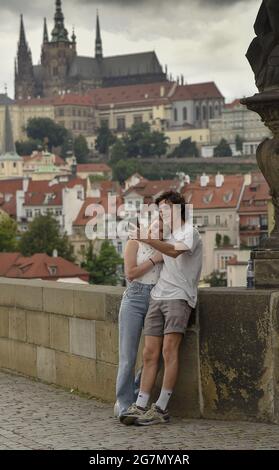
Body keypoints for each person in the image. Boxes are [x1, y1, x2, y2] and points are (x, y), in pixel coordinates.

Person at [120, 191, 203, 426]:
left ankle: (161, 408)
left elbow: (173, 251)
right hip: (158, 296)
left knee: (169, 350)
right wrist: (141, 236)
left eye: (166, 208)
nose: (162, 213)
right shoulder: (165, 231)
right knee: (149, 353)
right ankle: (140, 404)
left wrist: (145, 239)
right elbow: (150, 240)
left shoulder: (190, 232)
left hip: (179, 296)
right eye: (160, 210)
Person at [115, 220, 163, 419]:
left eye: (162, 229)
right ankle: (124, 405)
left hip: (157, 298)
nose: (158, 231)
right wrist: (155, 259)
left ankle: (136, 394)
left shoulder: (166, 247)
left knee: (156, 356)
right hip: (134, 299)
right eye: (155, 227)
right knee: (128, 356)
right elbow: (131, 273)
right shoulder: (134, 243)